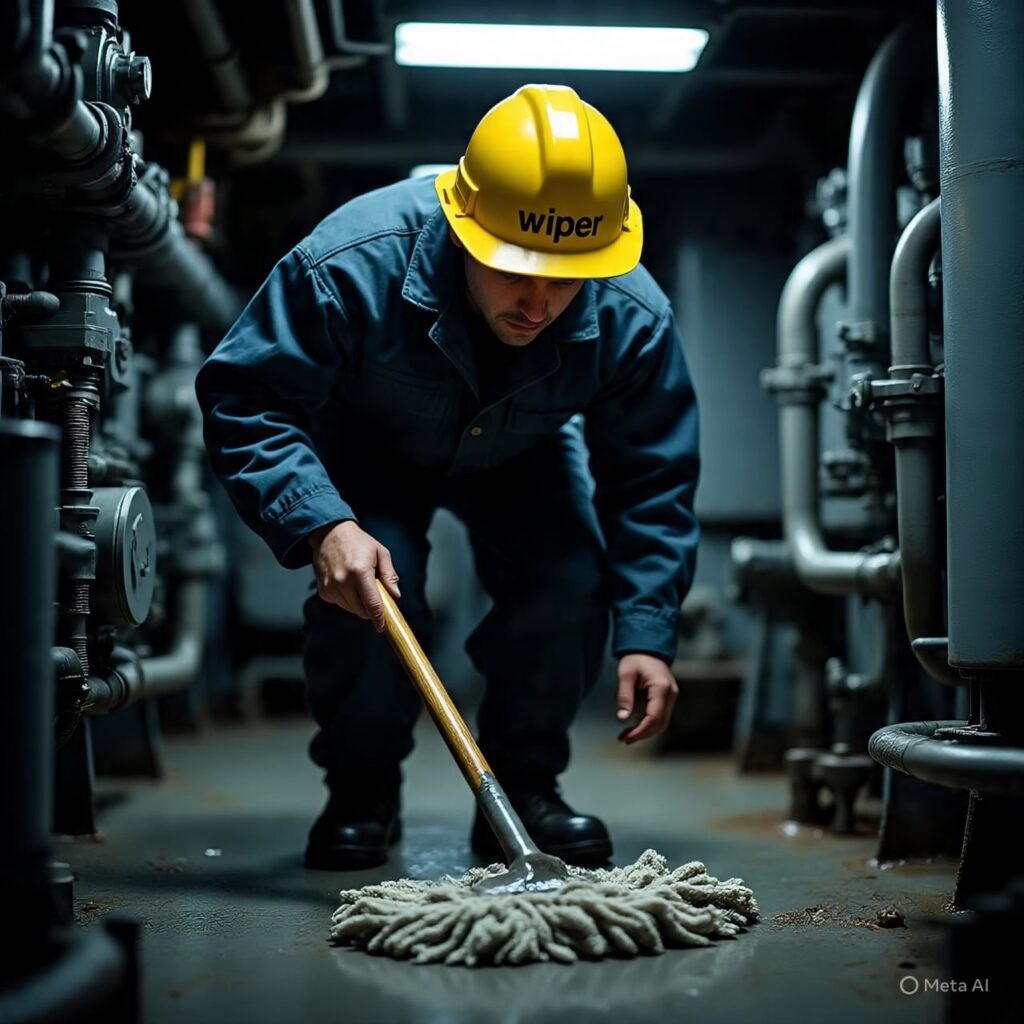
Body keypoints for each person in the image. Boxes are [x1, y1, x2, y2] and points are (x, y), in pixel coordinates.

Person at [196, 84, 700, 871]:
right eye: (515, 271)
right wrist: (323, 522)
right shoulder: (348, 263)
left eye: (565, 278)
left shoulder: (633, 315)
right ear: (466, 232)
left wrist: (648, 631)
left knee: (567, 577)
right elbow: (245, 396)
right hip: (367, 443)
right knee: (371, 589)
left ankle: (525, 793)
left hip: (523, 451)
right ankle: (362, 791)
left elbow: (651, 478)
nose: (538, 304)